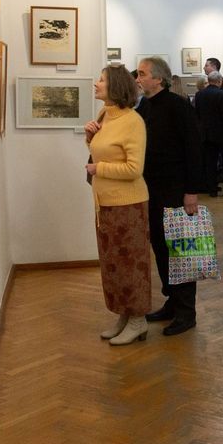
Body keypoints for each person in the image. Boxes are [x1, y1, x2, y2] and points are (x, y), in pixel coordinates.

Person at [83, 66, 153, 345]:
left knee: (131, 265)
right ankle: (125, 315)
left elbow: (134, 169)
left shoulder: (133, 121)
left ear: (116, 87)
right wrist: (90, 138)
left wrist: (98, 168)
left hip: (129, 205)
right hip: (105, 204)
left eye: (101, 80)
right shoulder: (104, 115)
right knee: (113, 265)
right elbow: (103, 151)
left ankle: (138, 319)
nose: (96, 84)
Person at [135, 56, 205, 336]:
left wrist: (191, 191)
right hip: (151, 189)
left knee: (181, 250)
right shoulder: (144, 106)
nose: (138, 78)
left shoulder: (177, 106)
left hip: (176, 190)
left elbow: (193, 148)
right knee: (161, 248)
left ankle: (187, 311)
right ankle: (172, 301)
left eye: (142, 74)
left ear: (159, 79)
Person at [194, 70, 223, 197]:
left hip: (206, 134)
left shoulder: (199, 95)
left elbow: (197, 115)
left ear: (208, 81)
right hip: (222, 134)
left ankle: (212, 189)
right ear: (220, 81)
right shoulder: (222, 94)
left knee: (210, 162)